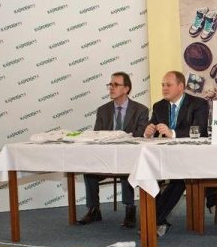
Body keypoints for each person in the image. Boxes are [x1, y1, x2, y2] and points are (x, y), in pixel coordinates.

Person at [78, 72, 149, 228]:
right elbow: (97, 136)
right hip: (106, 158)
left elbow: (140, 135)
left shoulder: (141, 110)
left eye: (116, 85)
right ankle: (94, 209)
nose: (111, 87)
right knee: (88, 169)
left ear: (126, 89)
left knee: (126, 167)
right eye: (110, 84)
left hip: (129, 158)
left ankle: (130, 209)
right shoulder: (103, 110)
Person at [144, 71, 209, 236]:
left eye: (169, 85)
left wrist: (172, 133)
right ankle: (157, 220)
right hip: (164, 156)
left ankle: (152, 220)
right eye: (162, 85)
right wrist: (148, 132)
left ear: (181, 87)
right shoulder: (159, 106)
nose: (164, 88)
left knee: (179, 179)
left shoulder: (199, 104)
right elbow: (152, 127)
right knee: (146, 173)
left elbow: (199, 130)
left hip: (190, 156)